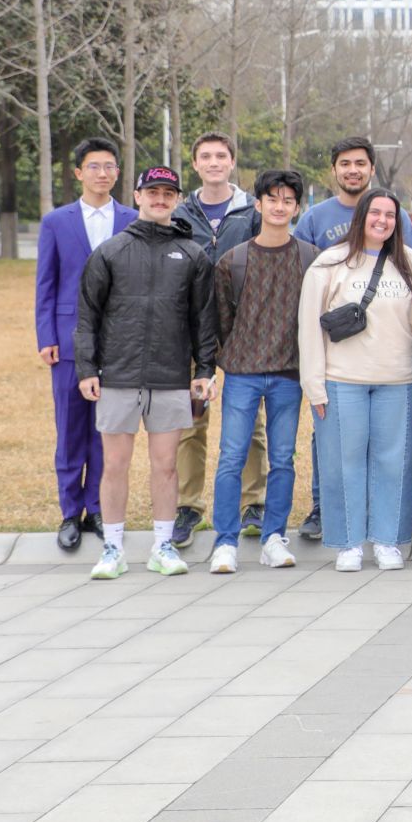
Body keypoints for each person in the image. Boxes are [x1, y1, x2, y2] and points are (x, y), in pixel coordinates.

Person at [75, 164, 218, 580]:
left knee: (166, 465)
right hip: (118, 376)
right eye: (152, 192)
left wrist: (204, 369)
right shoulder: (110, 252)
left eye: (168, 194)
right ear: (137, 196)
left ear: (177, 201)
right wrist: (87, 368)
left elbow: (203, 320)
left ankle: (163, 545)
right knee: (114, 464)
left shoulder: (192, 255)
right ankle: (113, 548)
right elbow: (88, 316)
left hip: (170, 376)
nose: (160, 199)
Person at [290, 135, 412, 543]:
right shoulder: (327, 259)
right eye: (374, 213)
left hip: (398, 379)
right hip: (343, 377)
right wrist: (314, 384)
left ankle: (389, 540)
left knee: (393, 463)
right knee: (341, 461)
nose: (382, 220)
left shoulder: (410, 263)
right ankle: (345, 540)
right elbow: (309, 323)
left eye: (388, 215)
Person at [207, 169, 317, 575]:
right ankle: (225, 542)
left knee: (283, 458)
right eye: (272, 199)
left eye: (287, 200)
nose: (279, 206)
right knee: (232, 457)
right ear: (258, 204)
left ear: (296, 208)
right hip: (242, 373)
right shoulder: (233, 261)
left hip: (289, 373)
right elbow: (221, 320)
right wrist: (231, 358)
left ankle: (274, 537)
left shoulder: (310, 259)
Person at [36, 138, 134, 551]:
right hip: (68, 340)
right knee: (71, 429)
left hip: (117, 341)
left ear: (118, 173)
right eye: (94, 166)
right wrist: (46, 336)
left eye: (109, 166)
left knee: (105, 429)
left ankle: (97, 508)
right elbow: (46, 282)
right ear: (79, 172)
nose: (102, 173)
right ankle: (69, 512)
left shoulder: (132, 219)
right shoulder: (56, 222)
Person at [172, 132, 267, 549]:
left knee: (250, 419)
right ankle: (188, 506)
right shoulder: (180, 213)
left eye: (221, 156)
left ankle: (254, 503)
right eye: (206, 156)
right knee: (190, 419)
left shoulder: (252, 210)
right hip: (191, 329)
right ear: (195, 164)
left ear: (232, 162)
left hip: (242, 328)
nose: (214, 162)